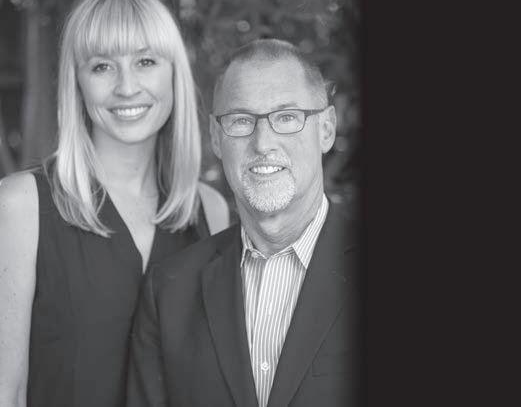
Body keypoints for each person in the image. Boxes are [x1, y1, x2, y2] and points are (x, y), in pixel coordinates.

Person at [0, 0, 230, 407]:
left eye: (145, 61)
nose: (127, 87)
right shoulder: (20, 206)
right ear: (77, 83)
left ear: (174, 73)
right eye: (102, 66)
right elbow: (5, 390)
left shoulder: (210, 212)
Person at [127, 38, 360, 407]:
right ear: (216, 137)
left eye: (287, 117)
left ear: (327, 129)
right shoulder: (169, 291)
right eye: (241, 120)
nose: (263, 143)